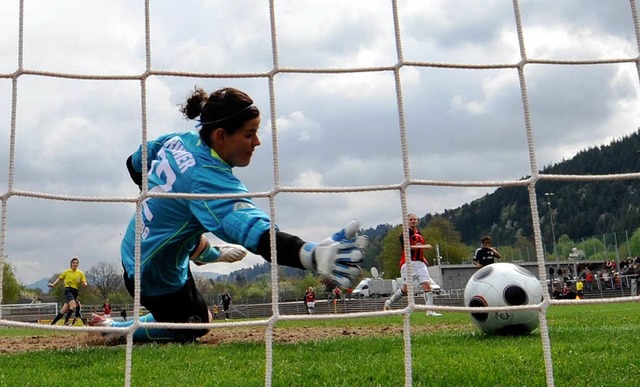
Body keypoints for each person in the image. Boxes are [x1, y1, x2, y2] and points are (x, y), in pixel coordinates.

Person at [89, 86, 367, 342]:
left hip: (139, 243)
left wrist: (152, 193)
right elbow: (252, 230)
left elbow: (135, 160)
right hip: (153, 273)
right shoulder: (207, 180)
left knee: (188, 226)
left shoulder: (178, 140)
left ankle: (205, 252)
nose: (256, 142)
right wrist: (310, 255)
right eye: (249, 134)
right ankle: (116, 330)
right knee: (198, 324)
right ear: (221, 135)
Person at [384, 214, 441, 316]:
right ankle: (389, 302)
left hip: (420, 264)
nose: (413, 221)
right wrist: (425, 247)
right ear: (407, 221)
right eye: (411, 219)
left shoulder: (419, 232)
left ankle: (429, 311)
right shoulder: (404, 234)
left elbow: (418, 248)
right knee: (405, 289)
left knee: (427, 285)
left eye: (415, 219)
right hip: (408, 263)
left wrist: (423, 258)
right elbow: (408, 247)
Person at [48, 257, 88, 325]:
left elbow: (84, 281)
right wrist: (53, 284)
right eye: (74, 263)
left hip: (75, 291)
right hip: (68, 290)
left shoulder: (80, 273)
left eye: (76, 263)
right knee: (73, 306)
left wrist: (85, 284)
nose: (75, 264)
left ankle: (51, 324)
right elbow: (59, 278)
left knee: (63, 310)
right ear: (71, 264)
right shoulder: (67, 272)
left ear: (78, 264)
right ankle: (66, 322)